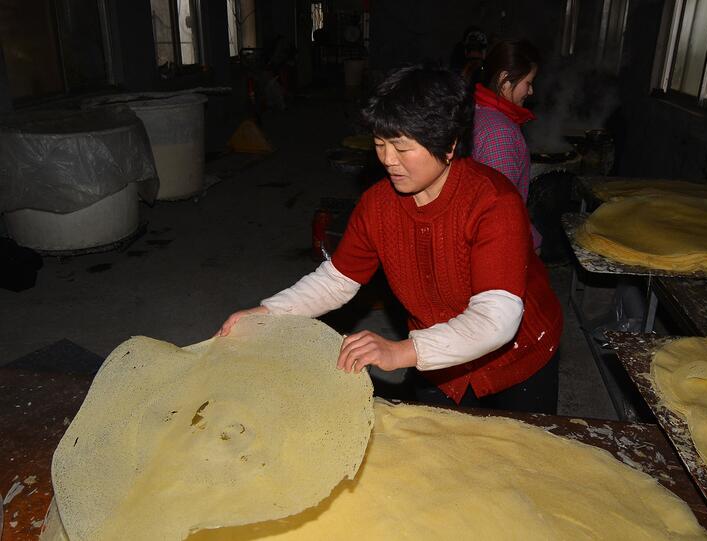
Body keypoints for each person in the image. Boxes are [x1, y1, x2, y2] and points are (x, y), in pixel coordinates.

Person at [218, 65, 563, 414]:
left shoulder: (493, 202)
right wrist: (267, 312)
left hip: (519, 359)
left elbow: (495, 319)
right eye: (380, 144)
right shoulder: (377, 205)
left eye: (401, 147)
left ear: (448, 144)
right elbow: (336, 280)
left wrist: (399, 352)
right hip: (437, 362)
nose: (386, 159)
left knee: (520, 458)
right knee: (434, 456)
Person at [472, 39, 542, 250]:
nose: (530, 92)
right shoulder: (499, 132)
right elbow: (500, 210)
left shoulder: (480, 110)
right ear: (504, 80)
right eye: (528, 83)